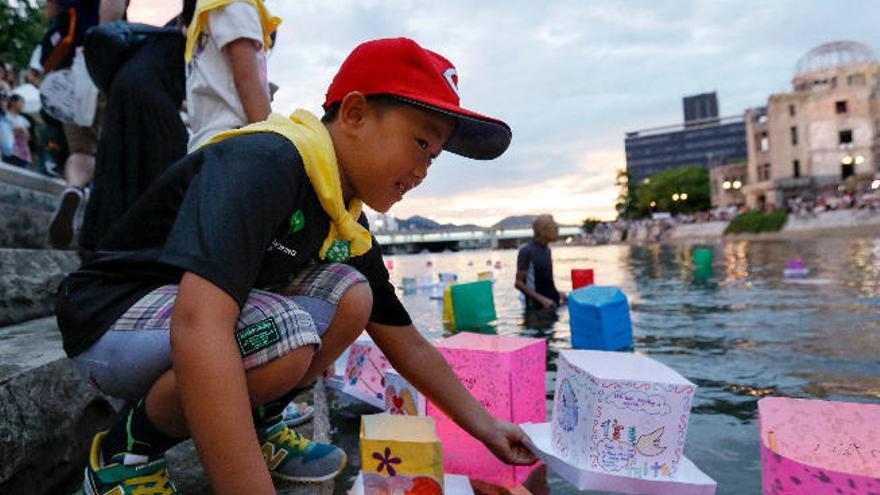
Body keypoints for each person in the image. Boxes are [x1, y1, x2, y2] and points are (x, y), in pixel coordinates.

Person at [56, 37, 534, 495]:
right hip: (110, 317)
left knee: (353, 294)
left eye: (434, 156)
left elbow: (405, 341)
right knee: (283, 332)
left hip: (177, 320)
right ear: (354, 113)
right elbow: (200, 325)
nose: (423, 170)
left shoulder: (339, 212)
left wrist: (487, 428)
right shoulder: (264, 161)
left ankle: (262, 426)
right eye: (421, 143)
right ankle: (125, 451)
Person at [78, 5, 193, 256]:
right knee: (172, 166)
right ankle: (142, 248)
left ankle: (105, 244)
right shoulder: (203, 26)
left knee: (119, 164)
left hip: (125, 87)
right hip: (147, 91)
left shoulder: (165, 35)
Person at [44, 0, 128, 248]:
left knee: (80, 149)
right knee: (105, 147)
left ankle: (74, 189)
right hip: (99, 64)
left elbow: (51, 11)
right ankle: (97, 218)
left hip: (69, 72)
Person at [184, 0, 277, 151]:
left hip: (205, 146)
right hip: (237, 141)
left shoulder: (206, 12)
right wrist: (272, 143)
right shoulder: (236, 5)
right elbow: (247, 82)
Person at [516, 214, 565, 310]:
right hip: (535, 309)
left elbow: (545, 281)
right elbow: (518, 283)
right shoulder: (526, 251)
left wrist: (558, 294)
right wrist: (542, 300)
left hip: (551, 304)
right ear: (542, 231)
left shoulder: (547, 250)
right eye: (554, 227)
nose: (557, 230)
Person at [4, 94, 33, 168]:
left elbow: (28, 138)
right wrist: (17, 129)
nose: (23, 105)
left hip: (22, 152)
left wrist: (24, 131)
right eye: (21, 102)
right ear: (13, 102)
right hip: (8, 149)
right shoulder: (5, 116)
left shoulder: (23, 120)